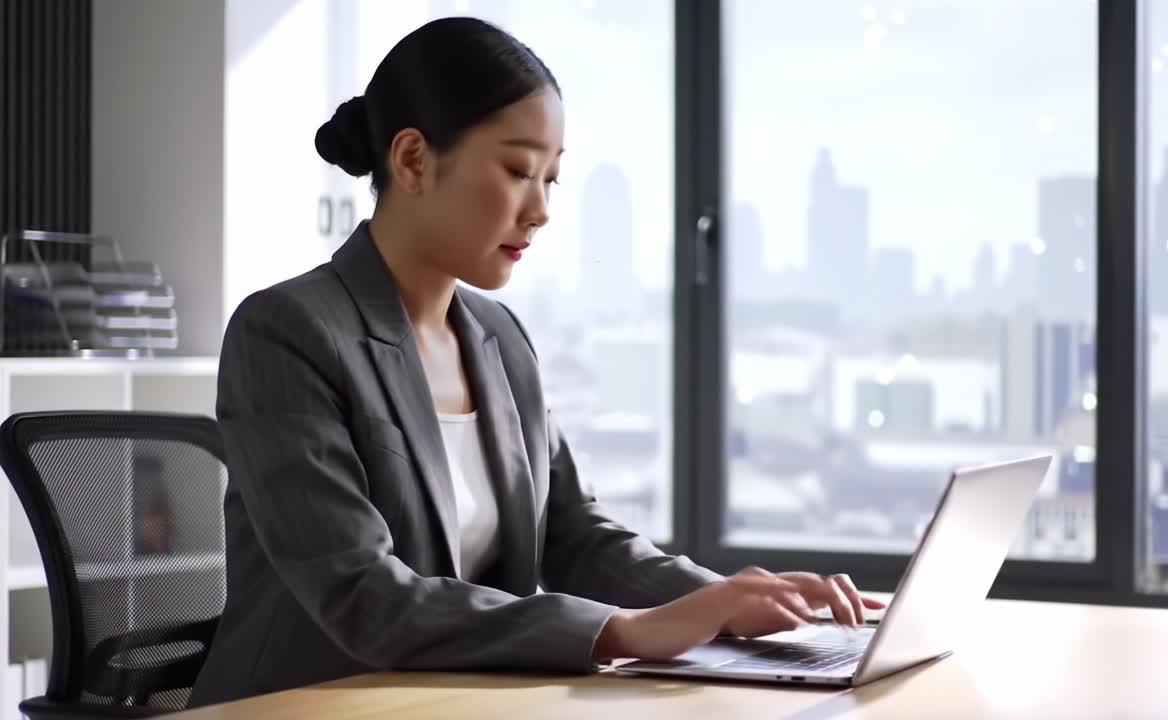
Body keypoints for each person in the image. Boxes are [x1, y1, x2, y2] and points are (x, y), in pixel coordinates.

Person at [189, 16, 882, 707]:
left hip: (456, 700)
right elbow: (364, 596)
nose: (542, 209)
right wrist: (626, 631)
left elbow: (574, 537)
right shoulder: (287, 333)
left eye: (551, 178)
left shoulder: (499, 338)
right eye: (519, 170)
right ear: (411, 161)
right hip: (306, 703)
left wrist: (730, 600)